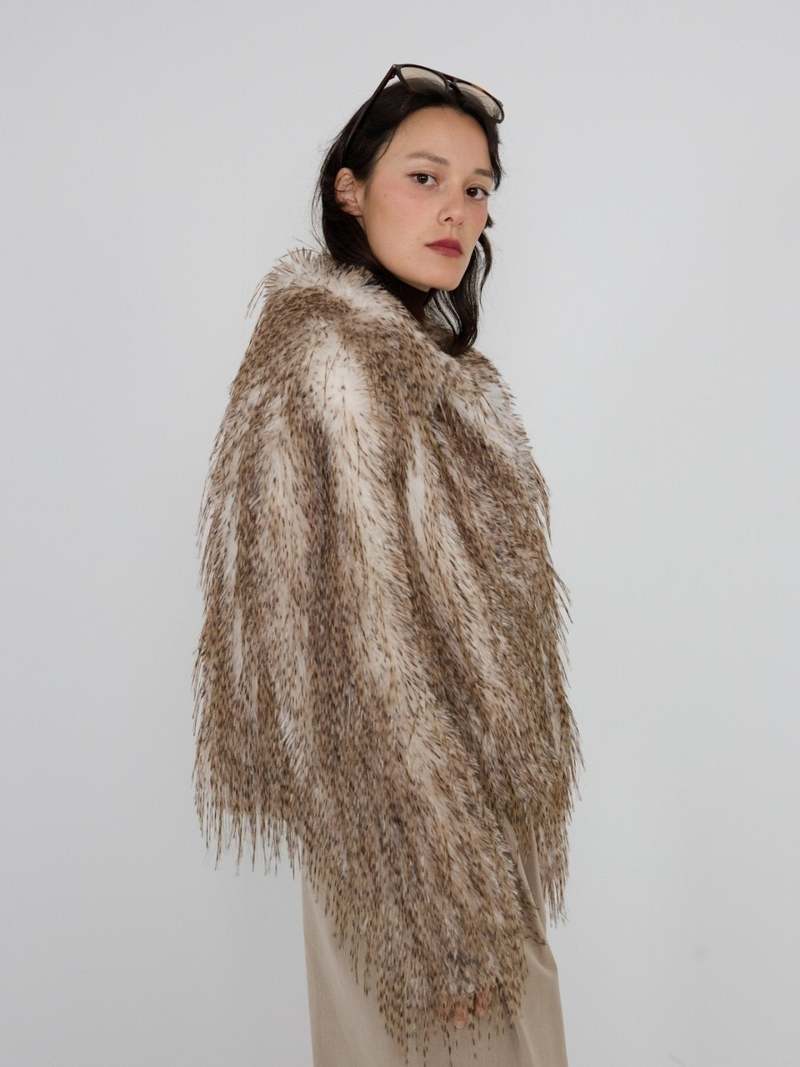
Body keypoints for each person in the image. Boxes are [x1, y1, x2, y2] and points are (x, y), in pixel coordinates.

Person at [191, 64, 584, 1067]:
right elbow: (360, 671)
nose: (456, 208)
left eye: (476, 188)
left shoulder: (417, 370)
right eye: (424, 176)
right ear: (349, 188)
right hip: (415, 865)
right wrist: (443, 912)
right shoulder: (334, 372)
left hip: (443, 844)